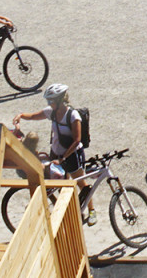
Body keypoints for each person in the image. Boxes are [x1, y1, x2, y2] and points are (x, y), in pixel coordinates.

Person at [11, 84, 105, 223]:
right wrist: (21, 115)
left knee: (81, 183)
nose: (49, 103)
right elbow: (34, 116)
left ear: (60, 100)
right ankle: (72, 211)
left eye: (51, 101)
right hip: (55, 153)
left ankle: (91, 210)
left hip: (72, 155)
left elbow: (77, 140)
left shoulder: (73, 116)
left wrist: (63, 159)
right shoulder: (52, 112)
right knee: (61, 184)